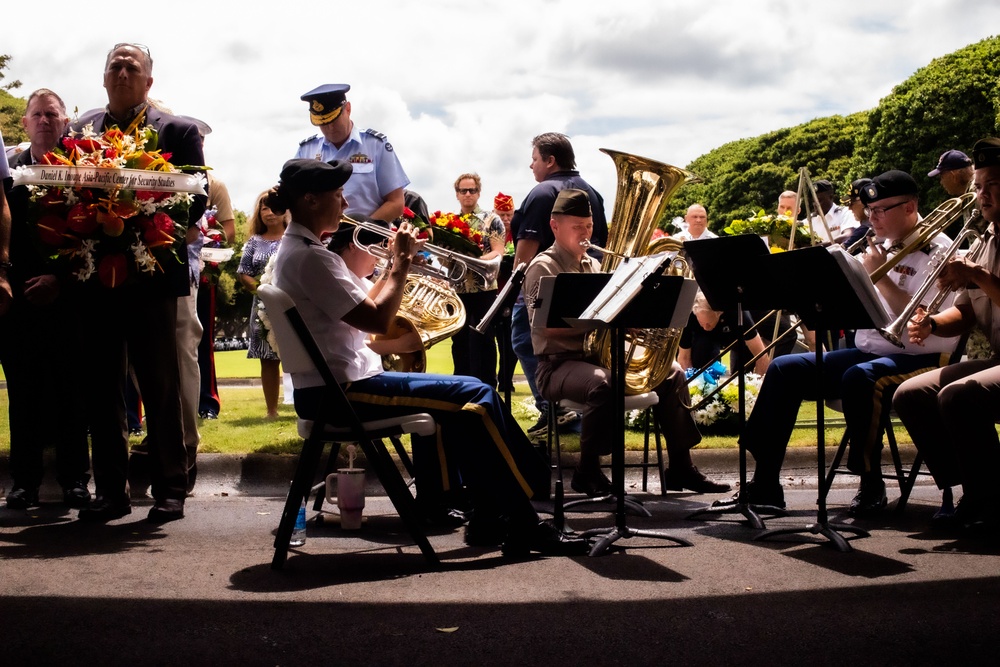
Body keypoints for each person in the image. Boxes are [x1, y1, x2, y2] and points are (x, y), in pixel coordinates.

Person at [269, 158, 587, 556]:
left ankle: (489, 516)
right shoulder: (310, 257)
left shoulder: (304, 251)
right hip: (343, 392)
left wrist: (389, 266)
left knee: (469, 399)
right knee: (479, 394)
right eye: (337, 195)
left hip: (338, 386)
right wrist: (400, 262)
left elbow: (364, 302)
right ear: (311, 200)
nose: (345, 202)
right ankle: (523, 519)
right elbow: (378, 320)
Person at [717, 170, 960, 514]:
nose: (871, 217)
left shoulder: (940, 249)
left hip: (923, 356)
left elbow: (927, 319)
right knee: (785, 369)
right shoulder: (879, 246)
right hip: (870, 350)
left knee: (860, 378)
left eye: (880, 210)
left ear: (910, 207)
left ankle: (870, 483)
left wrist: (879, 274)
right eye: (869, 209)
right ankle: (765, 481)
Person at [72, 42, 206, 523]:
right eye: (115, 66)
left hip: (152, 277)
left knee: (160, 385)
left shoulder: (179, 130)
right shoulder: (79, 130)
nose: (123, 71)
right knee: (102, 388)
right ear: (104, 78)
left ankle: (170, 487)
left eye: (133, 66)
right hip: (95, 279)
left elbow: (194, 200)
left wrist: (139, 218)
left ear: (149, 81)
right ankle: (110, 489)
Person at [524, 189, 730, 496]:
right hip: (557, 365)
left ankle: (681, 468)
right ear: (555, 226)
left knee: (671, 373)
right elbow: (548, 328)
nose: (585, 232)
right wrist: (607, 325)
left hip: (594, 358)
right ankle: (587, 471)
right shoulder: (545, 266)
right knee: (603, 384)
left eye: (588, 226)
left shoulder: (594, 266)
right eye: (577, 226)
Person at [893, 137, 1000, 532]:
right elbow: (970, 311)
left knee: (961, 394)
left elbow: (986, 286)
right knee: (912, 394)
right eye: (978, 186)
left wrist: (974, 274)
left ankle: (989, 499)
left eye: (992, 186)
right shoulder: (985, 239)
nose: (981, 195)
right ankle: (971, 490)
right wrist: (933, 322)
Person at [2, 90, 91, 509]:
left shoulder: (85, 169)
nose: (43, 121)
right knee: (23, 394)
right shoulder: (9, 174)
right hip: (18, 299)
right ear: (24, 123)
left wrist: (59, 279)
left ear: (65, 120)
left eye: (51, 114)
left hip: (71, 297)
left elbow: (93, 235)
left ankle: (75, 480)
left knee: (74, 392)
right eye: (36, 114)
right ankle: (24, 481)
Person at [510, 132, 608, 441]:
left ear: (550, 161)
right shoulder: (592, 192)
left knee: (525, 341)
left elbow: (525, 256)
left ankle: (552, 408)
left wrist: (516, 294)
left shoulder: (541, 192)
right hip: (591, 281)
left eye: (535, 159)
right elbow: (600, 245)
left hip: (547, 282)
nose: (531, 165)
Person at [294, 83, 408, 222]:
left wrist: (359, 230)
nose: (330, 127)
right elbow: (292, 199)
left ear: (347, 109)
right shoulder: (307, 150)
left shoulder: (375, 145)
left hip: (366, 238)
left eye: (334, 120)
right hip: (318, 240)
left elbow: (396, 203)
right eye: (322, 123)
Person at [449, 173, 505, 386]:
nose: (468, 194)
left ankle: (488, 385)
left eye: (472, 190)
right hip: (459, 288)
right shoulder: (450, 222)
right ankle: (461, 384)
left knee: (486, 340)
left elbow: (498, 251)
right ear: (457, 194)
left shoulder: (493, 220)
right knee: (459, 340)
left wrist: (473, 260)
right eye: (463, 190)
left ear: (479, 193)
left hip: (485, 288)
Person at [237, 191, 288, 419]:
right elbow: (243, 273)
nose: (268, 213)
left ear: (286, 210)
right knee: (268, 360)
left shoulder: (294, 239)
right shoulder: (254, 242)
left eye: (273, 208)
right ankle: (271, 411)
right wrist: (262, 288)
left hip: (293, 304)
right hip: (263, 307)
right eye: (264, 208)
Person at [678, 291, 770, 377]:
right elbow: (684, 358)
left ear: (719, 313)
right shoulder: (688, 318)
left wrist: (757, 384)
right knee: (702, 353)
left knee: (743, 375)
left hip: (736, 338)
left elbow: (761, 355)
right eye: (702, 323)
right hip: (703, 341)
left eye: (708, 324)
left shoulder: (737, 313)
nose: (706, 327)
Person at [493, 192, 518, 393]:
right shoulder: (490, 233)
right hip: (493, 291)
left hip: (511, 294)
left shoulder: (518, 234)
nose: (506, 219)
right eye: (502, 215)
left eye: (509, 214)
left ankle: (506, 378)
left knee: (510, 342)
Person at [807, 179, 857, 244]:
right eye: (813, 201)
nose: (815, 204)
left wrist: (821, 247)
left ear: (831, 197)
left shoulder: (845, 213)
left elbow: (848, 235)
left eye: (819, 200)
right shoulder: (810, 220)